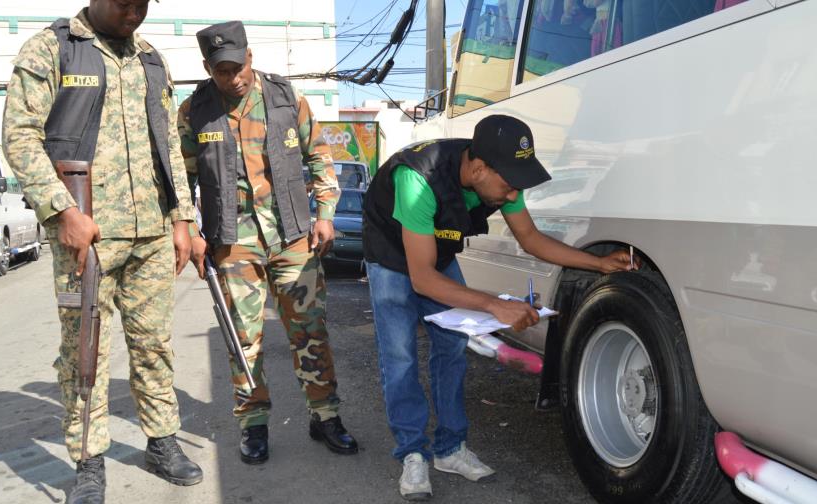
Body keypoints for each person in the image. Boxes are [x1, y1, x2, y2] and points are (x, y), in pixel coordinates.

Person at [362, 114, 635, 500]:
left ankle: (450, 449)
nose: (512, 197)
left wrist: (599, 263)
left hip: (434, 254)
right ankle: (412, 452)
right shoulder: (417, 179)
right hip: (390, 255)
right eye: (508, 187)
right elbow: (422, 279)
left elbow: (530, 237)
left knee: (452, 346)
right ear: (478, 169)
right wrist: (493, 306)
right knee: (400, 356)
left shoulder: (500, 174)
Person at [2, 1, 203, 502]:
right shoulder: (52, 49)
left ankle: (161, 440)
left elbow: (168, 146)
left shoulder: (151, 58)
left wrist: (182, 217)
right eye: (124, 2)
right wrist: (61, 210)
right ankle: (88, 461)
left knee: (154, 344)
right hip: (86, 234)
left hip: (152, 233)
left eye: (143, 3)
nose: (134, 12)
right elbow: (20, 136)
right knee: (84, 351)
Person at [178, 21, 358, 465]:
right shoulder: (195, 110)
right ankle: (253, 423)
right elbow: (181, 180)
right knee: (244, 338)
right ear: (208, 68)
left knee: (309, 330)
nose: (233, 78)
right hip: (232, 240)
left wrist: (326, 215)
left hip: (293, 235)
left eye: (237, 67)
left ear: (250, 57)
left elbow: (320, 157)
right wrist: (189, 231)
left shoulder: (285, 98)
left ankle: (325, 415)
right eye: (222, 71)